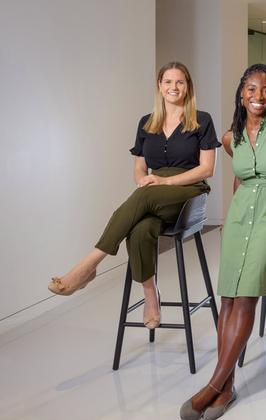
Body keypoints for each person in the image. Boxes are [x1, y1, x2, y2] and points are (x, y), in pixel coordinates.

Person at [180, 64, 266, 420]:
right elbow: (242, 179)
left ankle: (212, 386)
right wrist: (229, 217)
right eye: (252, 89)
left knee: (245, 295)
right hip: (240, 217)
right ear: (241, 93)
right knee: (227, 297)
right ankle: (226, 389)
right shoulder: (229, 138)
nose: (259, 97)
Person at [48, 62, 218, 331]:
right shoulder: (146, 123)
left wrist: (165, 180)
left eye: (180, 82)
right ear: (159, 86)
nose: (174, 87)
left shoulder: (202, 120)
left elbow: (207, 168)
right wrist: (143, 180)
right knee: (140, 229)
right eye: (168, 82)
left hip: (188, 190)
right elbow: (140, 166)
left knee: (143, 199)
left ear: (188, 87)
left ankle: (88, 265)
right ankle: (151, 297)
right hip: (154, 191)